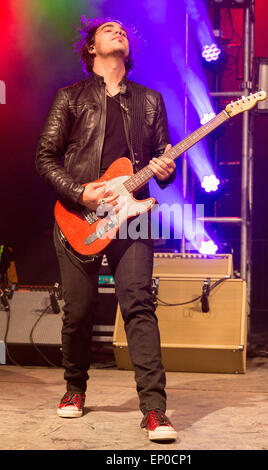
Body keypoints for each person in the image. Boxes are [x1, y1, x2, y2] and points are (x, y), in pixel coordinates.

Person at [35, 17, 177, 441]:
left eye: (123, 30)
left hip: (132, 215)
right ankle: (74, 389)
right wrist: (82, 194)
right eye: (108, 29)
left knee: (137, 304)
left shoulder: (151, 101)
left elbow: (162, 163)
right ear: (91, 48)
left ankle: (155, 410)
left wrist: (166, 169)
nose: (119, 31)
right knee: (78, 312)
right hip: (79, 216)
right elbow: (45, 157)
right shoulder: (71, 98)